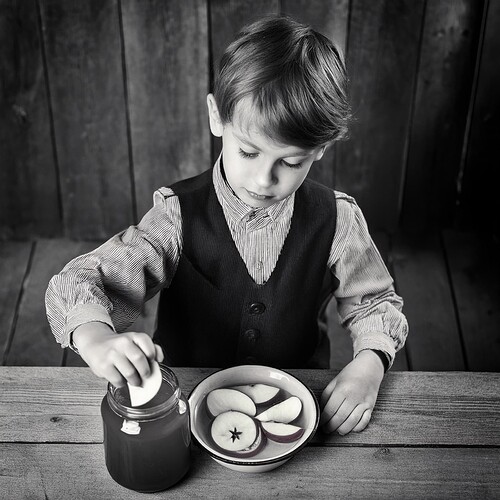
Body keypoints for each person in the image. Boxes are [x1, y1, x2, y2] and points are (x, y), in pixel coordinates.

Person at [46, 15, 408, 436]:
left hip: (294, 409)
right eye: (248, 152)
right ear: (217, 117)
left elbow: (375, 303)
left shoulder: (338, 219)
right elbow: (83, 280)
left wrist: (369, 365)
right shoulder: (177, 216)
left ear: (320, 150)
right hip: (183, 409)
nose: (263, 180)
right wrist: (95, 338)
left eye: (291, 162)